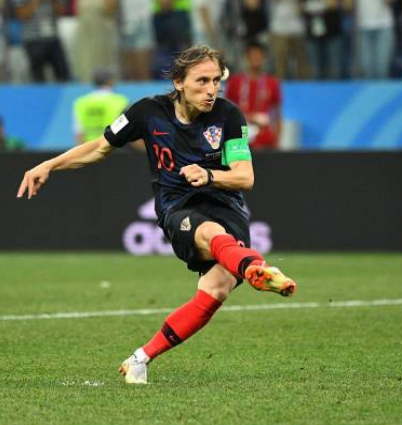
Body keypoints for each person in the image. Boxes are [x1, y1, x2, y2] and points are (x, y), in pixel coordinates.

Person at [17, 45, 298, 385]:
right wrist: (49, 164)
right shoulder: (147, 112)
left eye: (216, 81)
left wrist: (209, 175)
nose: (211, 90)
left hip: (227, 205)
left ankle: (140, 358)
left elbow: (245, 177)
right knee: (210, 233)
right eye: (202, 81)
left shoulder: (228, 116)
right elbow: (99, 148)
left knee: (216, 290)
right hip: (178, 207)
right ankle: (256, 267)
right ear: (179, 82)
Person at [225, 41, 282, 150]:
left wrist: (277, 141)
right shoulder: (234, 82)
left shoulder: (272, 83)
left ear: (264, 58)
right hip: (240, 138)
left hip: (265, 140)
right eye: (252, 55)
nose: (256, 58)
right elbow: (226, 112)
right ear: (246, 58)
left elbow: (277, 114)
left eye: (259, 55)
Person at [11, 0, 71, 82]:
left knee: (63, 73)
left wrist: (53, 2)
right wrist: (36, 2)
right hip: (33, 39)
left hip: (53, 38)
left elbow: (62, 13)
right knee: (38, 77)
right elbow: (22, 16)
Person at [73, 68, 129, 145]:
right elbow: (125, 129)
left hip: (89, 146)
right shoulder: (121, 101)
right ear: (110, 81)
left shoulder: (81, 102)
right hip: (112, 146)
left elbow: (78, 131)